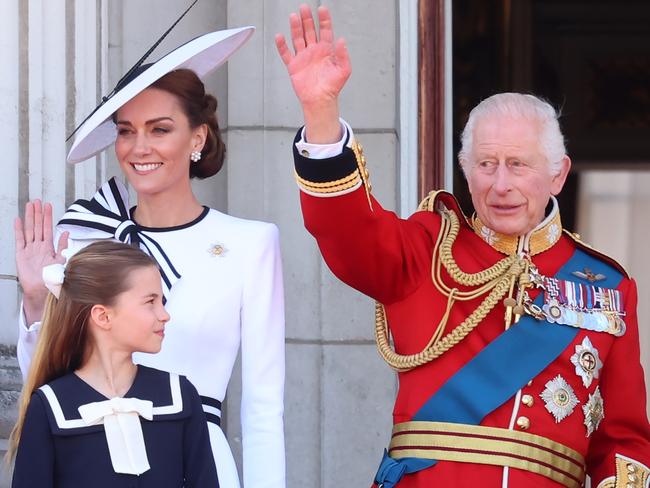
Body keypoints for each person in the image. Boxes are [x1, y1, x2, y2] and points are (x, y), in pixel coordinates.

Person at [276, 5, 650, 488]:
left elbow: (624, 441)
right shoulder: (429, 249)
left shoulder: (608, 288)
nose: (500, 185)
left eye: (518, 164)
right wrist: (321, 115)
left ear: (558, 174)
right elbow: (349, 231)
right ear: (465, 169)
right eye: (486, 164)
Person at [15, 27, 285, 488]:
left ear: (197, 137)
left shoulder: (249, 243)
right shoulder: (85, 238)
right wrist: (39, 302)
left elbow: (263, 408)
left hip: (198, 462)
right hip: (87, 457)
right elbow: (48, 378)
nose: (139, 147)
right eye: (126, 131)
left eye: (160, 129)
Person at [9, 241, 218, 487]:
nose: (165, 314)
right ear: (103, 316)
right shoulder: (50, 406)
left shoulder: (179, 395)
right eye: (151, 301)